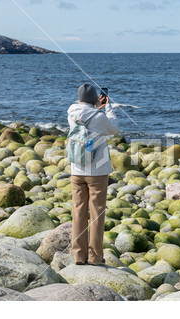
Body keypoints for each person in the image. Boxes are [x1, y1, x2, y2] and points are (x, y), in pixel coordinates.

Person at [67, 83, 120, 265]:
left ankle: (78, 256)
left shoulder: (71, 113)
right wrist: (108, 107)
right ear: (95, 99)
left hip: (77, 169)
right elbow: (114, 129)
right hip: (97, 171)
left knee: (78, 212)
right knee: (97, 213)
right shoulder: (98, 116)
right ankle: (95, 257)